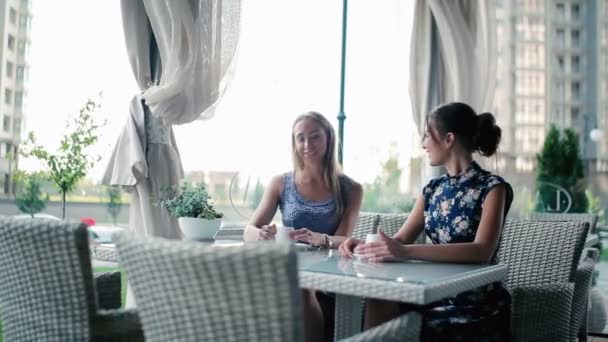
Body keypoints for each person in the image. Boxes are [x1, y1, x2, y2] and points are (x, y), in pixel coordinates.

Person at [339, 102, 513, 341]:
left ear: (449, 139)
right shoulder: (432, 189)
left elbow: (482, 251)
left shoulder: (493, 187)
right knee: (378, 298)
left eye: (426, 136)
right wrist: (363, 245)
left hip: (475, 302)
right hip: (430, 291)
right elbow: (399, 240)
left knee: (406, 322)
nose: (423, 144)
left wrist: (406, 252)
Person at [244, 111, 363, 342]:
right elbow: (249, 230)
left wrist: (323, 239)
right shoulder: (280, 182)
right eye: (301, 138)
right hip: (288, 266)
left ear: (328, 138)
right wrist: (262, 234)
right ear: (294, 143)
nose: (307, 144)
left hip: (330, 271)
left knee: (302, 286)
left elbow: (345, 240)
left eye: (315, 136)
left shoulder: (351, 188)